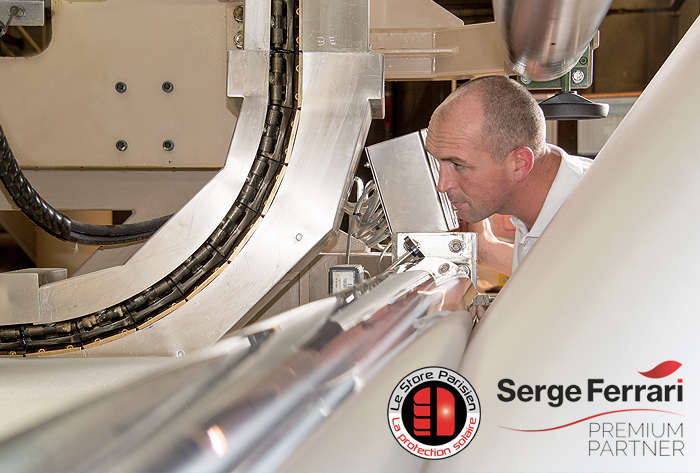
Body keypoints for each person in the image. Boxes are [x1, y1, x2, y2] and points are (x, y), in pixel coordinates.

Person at [425, 75, 592, 279]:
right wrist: (485, 250)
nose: (442, 185)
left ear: (520, 164)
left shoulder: (595, 223)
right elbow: (554, 274)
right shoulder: (547, 207)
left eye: (459, 165)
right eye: (438, 163)